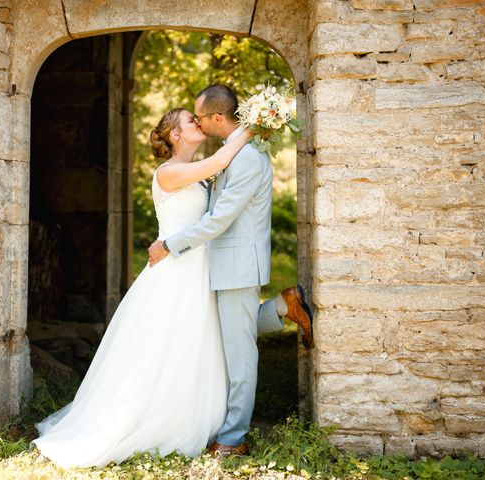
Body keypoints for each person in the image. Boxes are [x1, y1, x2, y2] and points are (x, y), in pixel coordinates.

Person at [30, 108, 253, 468]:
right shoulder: (169, 173)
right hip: (174, 269)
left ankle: (196, 410)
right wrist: (258, 122)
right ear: (175, 136)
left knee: (195, 340)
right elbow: (223, 156)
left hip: (196, 265)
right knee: (163, 344)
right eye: (190, 121)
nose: (198, 124)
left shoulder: (194, 174)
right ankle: (153, 418)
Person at [148, 85, 313, 457]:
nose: (199, 124)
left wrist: (171, 245)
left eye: (200, 118)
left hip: (237, 264)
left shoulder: (249, 159)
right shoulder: (230, 155)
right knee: (219, 333)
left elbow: (219, 219)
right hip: (216, 263)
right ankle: (285, 307)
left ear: (216, 118)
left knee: (239, 353)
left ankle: (233, 438)